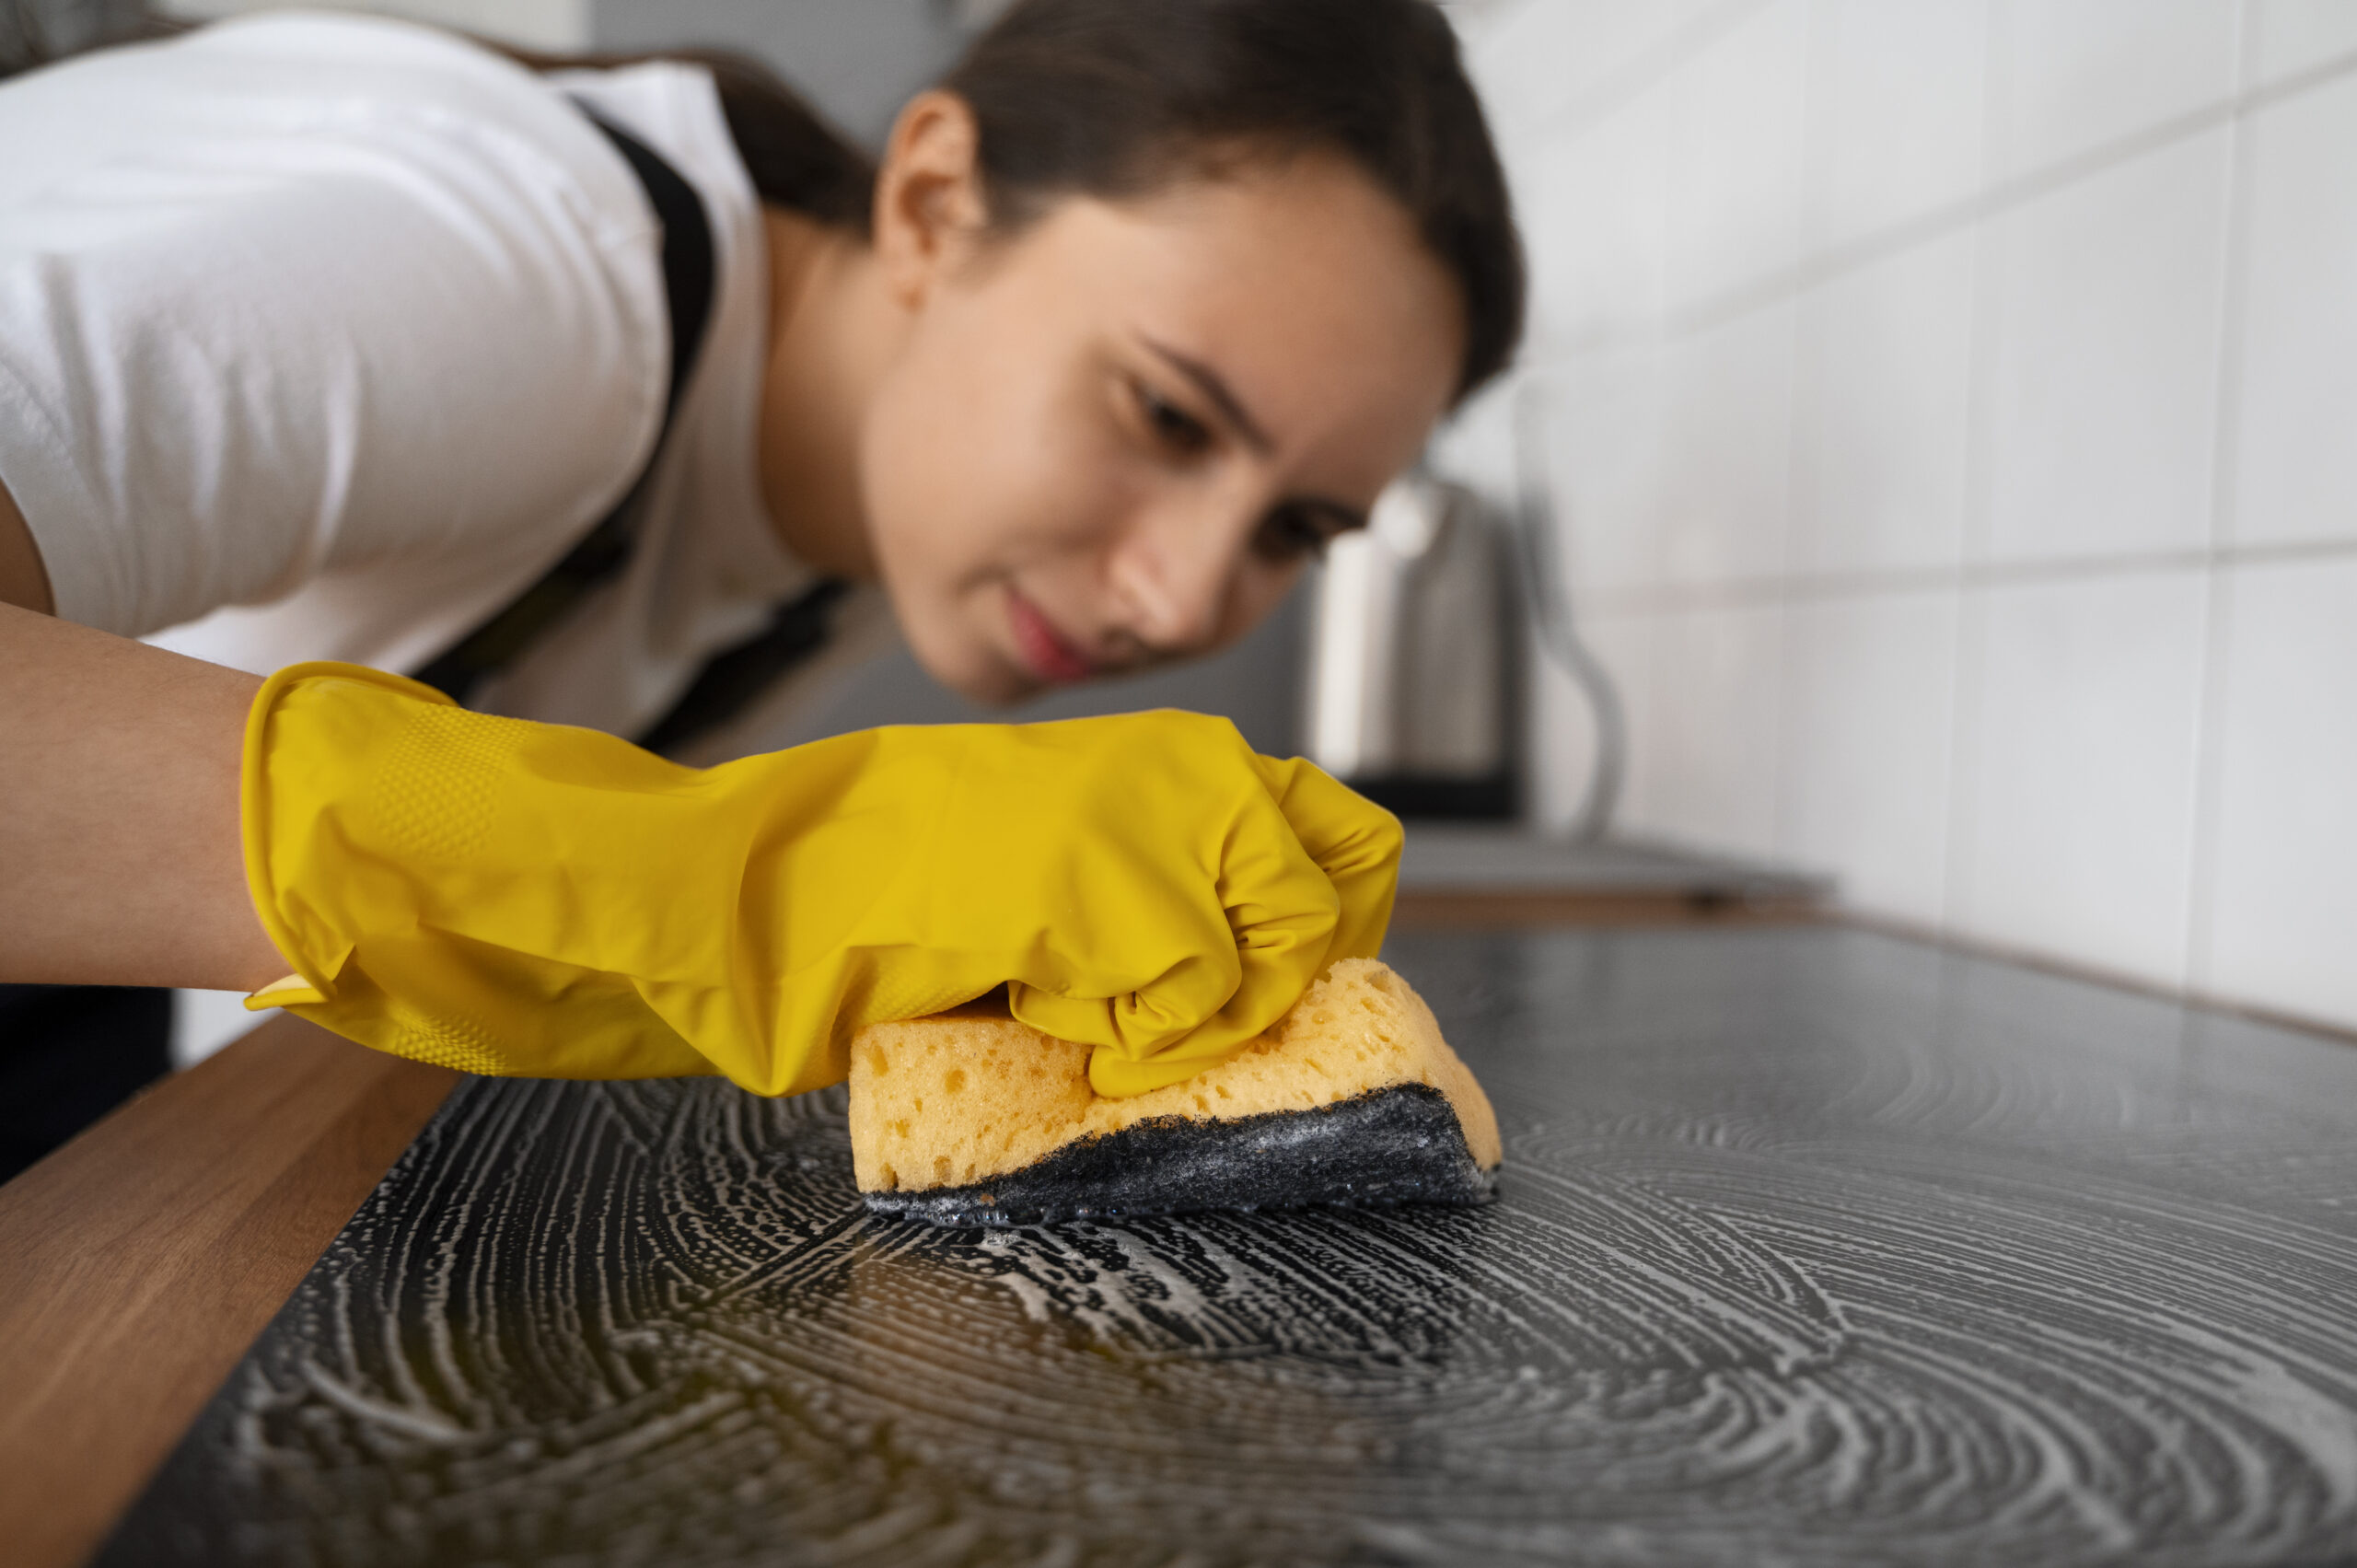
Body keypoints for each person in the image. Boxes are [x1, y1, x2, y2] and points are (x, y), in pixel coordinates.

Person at [0, 0, 1524, 1170]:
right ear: (933, 203)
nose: (1184, 599)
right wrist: (734, 881)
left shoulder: (849, 550)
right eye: (1166, 415)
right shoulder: (524, 276)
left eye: (1294, 531)